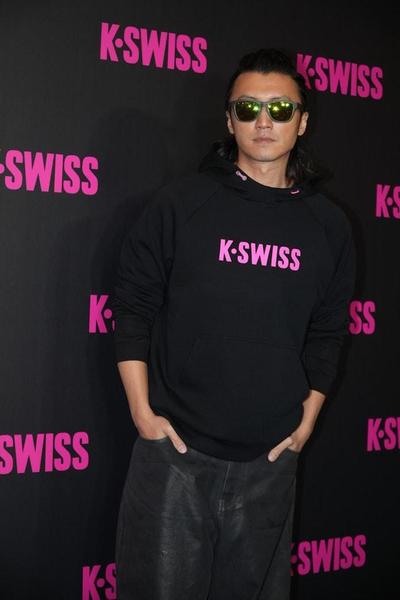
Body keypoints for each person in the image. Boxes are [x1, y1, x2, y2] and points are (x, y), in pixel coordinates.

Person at [111, 47, 357, 600]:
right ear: (229, 120)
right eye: (248, 108)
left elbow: (328, 331)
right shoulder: (182, 203)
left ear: (302, 121)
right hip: (175, 458)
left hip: (270, 464)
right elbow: (132, 305)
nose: (264, 121)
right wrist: (143, 414)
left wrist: (305, 423)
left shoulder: (329, 226)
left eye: (280, 109)